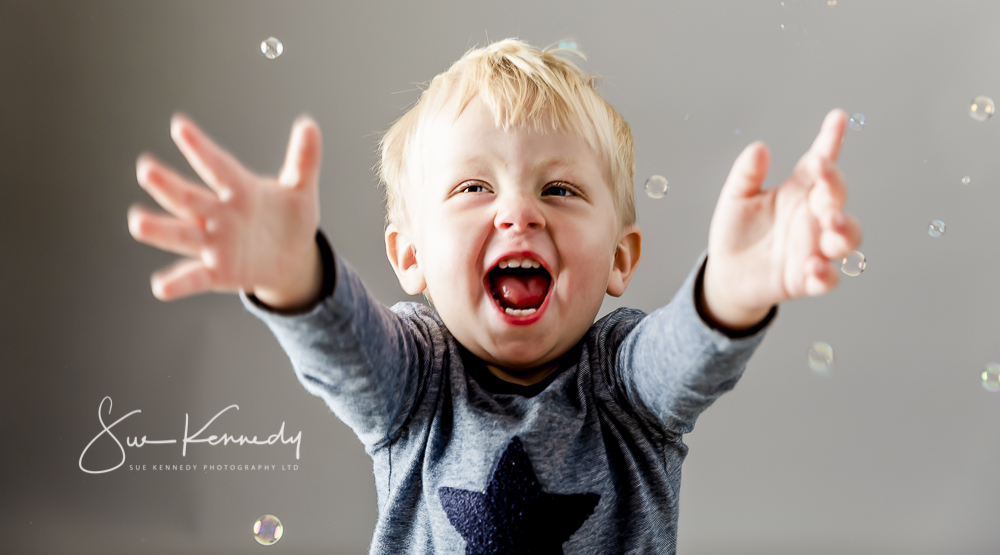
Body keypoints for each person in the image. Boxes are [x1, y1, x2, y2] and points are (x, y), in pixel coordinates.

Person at [127, 39, 862, 554]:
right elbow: (346, 347)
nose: (519, 212)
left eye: (561, 189)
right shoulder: (416, 379)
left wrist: (734, 283)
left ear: (620, 257)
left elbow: (686, 354)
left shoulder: (624, 383)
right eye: (473, 188)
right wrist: (294, 275)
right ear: (409, 254)